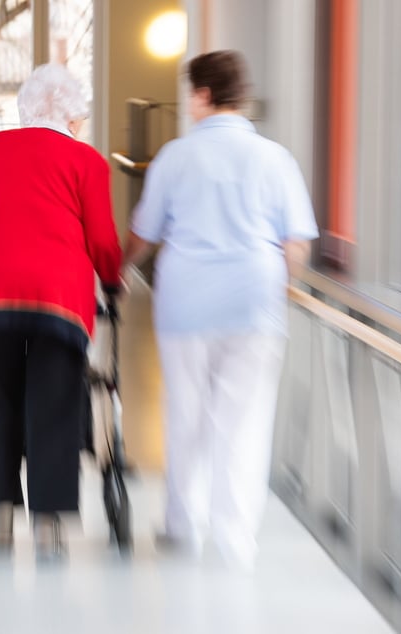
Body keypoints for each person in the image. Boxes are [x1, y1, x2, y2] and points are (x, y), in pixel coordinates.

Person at [123, 50, 319, 571]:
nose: (189, 103)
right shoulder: (275, 159)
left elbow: (142, 235)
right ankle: (235, 535)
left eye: (191, 92)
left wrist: (113, 271)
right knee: (245, 418)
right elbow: (296, 243)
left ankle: (181, 523)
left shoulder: (176, 157)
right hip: (254, 303)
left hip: (186, 304)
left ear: (204, 95)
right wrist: (279, 286)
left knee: (185, 410)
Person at [0, 63, 123, 560]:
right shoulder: (87, 162)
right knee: (56, 401)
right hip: (60, 300)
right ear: (72, 115)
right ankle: (48, 522)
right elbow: (104, 241)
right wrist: (111, 281)